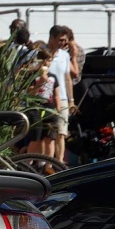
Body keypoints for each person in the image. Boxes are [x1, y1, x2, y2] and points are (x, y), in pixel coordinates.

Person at [46, 25, 74, 164]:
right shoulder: (42, 53)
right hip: (44, 99)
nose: (64, 43)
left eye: (65, 40)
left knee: (61, 133)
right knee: (47, 134)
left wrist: (71, 100)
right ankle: (46, 162)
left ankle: (59, 162)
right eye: (61, 39)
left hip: (62, 98)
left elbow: (67, 78)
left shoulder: (65, 55)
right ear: (52, 38)